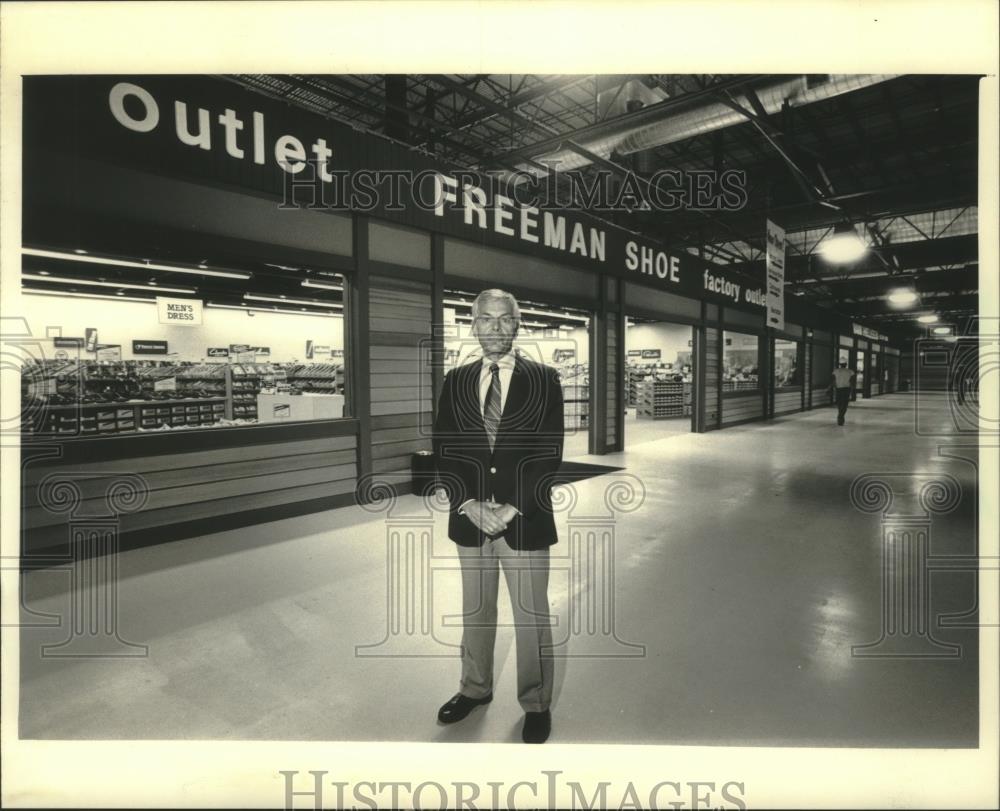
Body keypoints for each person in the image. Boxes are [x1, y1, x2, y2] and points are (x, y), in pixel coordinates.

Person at [432, 288, 564, 744]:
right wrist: (467, 502)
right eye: (484, 319)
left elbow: (548, 453)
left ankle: (536, 702)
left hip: (523, 518)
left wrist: (511, 506)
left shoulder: (545, 379)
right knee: (476, 610)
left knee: (531, 615)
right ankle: (474, 688)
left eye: (503, 319)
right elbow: (445, 451)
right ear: (472, 325)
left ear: (517, 323)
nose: (494, 328)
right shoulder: (456, 380)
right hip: (470, 518)